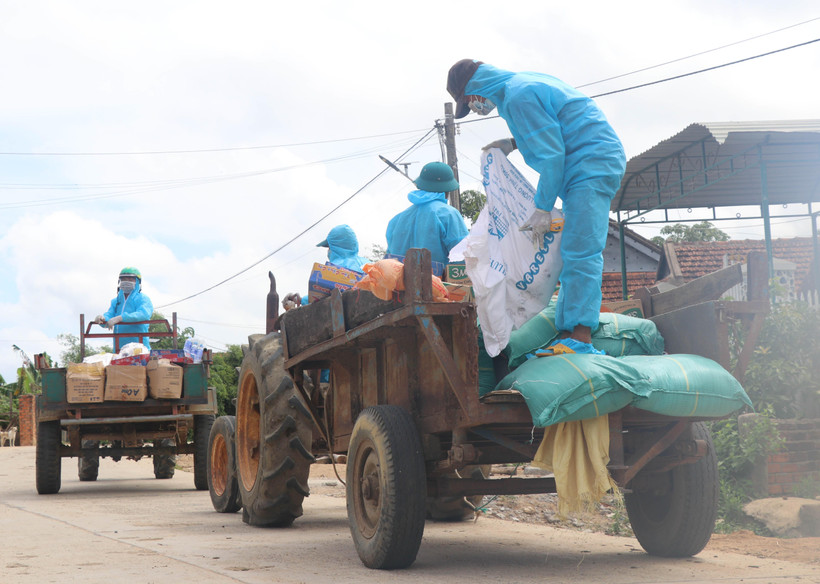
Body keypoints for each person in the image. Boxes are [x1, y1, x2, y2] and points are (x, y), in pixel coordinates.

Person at [446, 59, 626, 355]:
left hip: (590, 164)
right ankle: (570, 332)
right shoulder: (517, 88)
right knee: (571, 250)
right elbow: (554, 127)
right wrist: (515, 143)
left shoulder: (519, 95)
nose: (476, 107)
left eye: (471, 101)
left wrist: (542, 208)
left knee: (581, 250)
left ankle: (580, 336)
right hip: (582, 163)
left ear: (476, 88)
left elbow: (553, 156)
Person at [385, 161, 469, 268]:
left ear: (421, 186)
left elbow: (389, 261)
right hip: (438, 283)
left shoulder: (396, 220)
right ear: (448, 190)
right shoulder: (448, 214)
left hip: (400, 283)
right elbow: (462, 256)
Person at [93, 266, 154, 350]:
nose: (126, 282)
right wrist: (102, 319)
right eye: (123, 279)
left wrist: (121, 318)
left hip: (139, 347)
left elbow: (143, 314)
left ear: (137, 281)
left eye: (130, 279)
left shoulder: (143, 299)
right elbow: (109, 316)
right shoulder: (116, 301)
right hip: (119, 349)